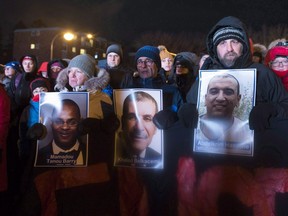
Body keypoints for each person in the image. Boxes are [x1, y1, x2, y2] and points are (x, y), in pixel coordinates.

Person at [174, 16, 288, 215]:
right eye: (223, 43)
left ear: (244, 46)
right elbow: (188, 106)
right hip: (211, 169)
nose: (229, 48)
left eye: (235, 41)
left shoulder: (263, 74)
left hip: (254, 169)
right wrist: (185, 111)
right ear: (215, 47)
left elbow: (285, 105)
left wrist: (272, 110)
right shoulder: (204, 78)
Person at [196, 73, 252, 146]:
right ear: (206, 98)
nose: (220, 98)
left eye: (228, 92)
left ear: (238, 100)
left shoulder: (248, 132)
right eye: (214, 91)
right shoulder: (191, 127)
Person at [115, 91, 162, 168]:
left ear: (156, 126)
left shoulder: (159, 158)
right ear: (123, 123)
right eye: (132, 117)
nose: (139, 127)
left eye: (147, 118)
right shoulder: (109, 155)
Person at [35, 99, 86, 166]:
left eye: (72, 122)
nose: (65, 127)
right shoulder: (39, 155)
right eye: (58, 121)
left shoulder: (91, 152)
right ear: (51, 123)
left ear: (80, 122)